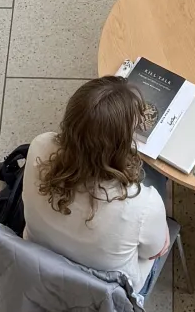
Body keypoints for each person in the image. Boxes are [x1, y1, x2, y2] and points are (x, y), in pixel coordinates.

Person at [23, 76, 171, 299]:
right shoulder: (144, 205)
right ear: (120, 146)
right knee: (157, 186)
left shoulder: (39, 146)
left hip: (38, 265)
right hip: (107, 296)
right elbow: (155, 250)